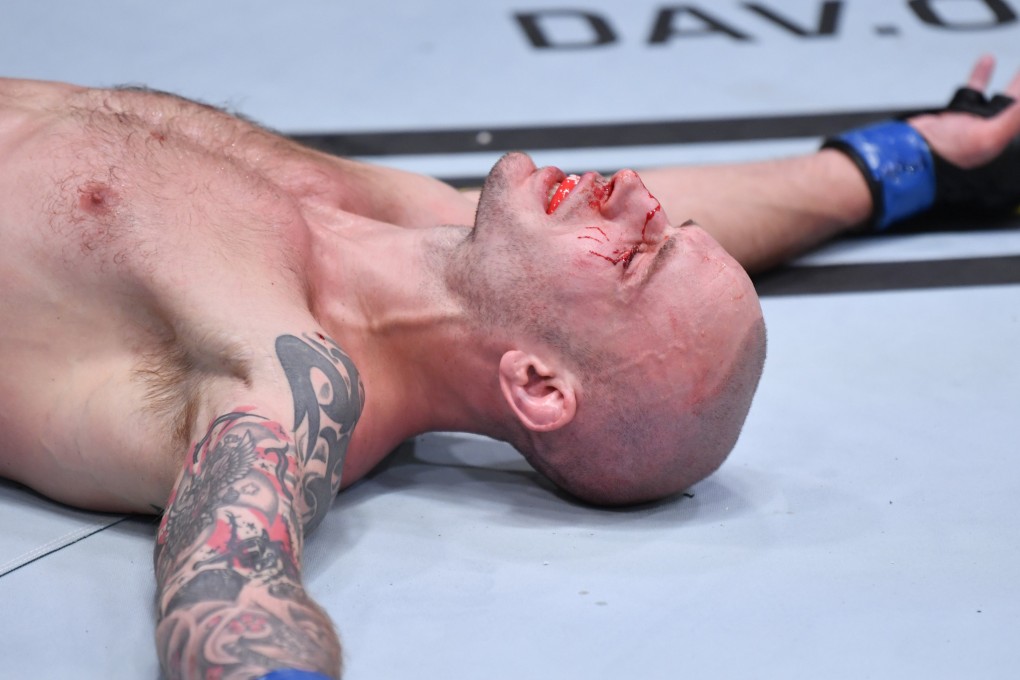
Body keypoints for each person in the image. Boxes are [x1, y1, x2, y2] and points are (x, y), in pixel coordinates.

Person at [0, 55, 1017, 680]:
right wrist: (906, 162)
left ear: (536, 383)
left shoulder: (291, 375)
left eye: (634, 253)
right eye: (665, 223)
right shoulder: (430, 233)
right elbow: (698, 228)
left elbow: (231, 587)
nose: (631, 196)